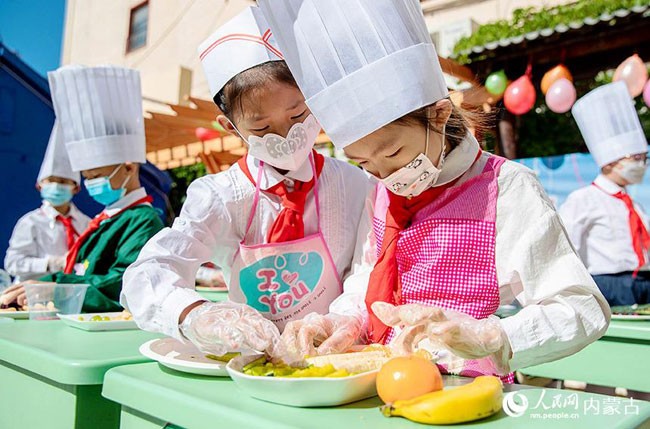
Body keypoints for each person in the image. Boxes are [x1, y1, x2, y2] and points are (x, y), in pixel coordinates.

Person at [260, 0, 610, 381]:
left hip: (465, 386)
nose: (384, 173)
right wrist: (341, 320)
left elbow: (582, 307)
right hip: (381, 382)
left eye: (393, 152)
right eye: (364, 163)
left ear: (440, 115)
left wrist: (492, 336)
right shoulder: (379, 191)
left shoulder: (504, 187)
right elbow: (367, 277)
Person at [121, 6, 375, 358]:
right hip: (248, 359)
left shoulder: (354, 183)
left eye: (298, 115)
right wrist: (193, 315)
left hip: (334, 355)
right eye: (262, 128)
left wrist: (343, 320)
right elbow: (151, 271)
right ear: (232, 128)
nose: (286, 134)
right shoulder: (220, 196)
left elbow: (367, 267)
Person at [1, 65, 163, 312]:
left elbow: (121, 282)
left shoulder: (142, 220)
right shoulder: (107, 219)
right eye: (86, 177)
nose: (90, 185)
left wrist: (55, 286)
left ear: (129, 168)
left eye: (96, 175)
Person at [560, 82, 650, 306]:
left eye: (644, 159)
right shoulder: (583, 199)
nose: (642, 165)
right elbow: (568, 249)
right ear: (611, 162)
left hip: (644, 281)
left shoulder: (633, 204)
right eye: (635, 158)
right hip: (609, 284)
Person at [3, 122, 90, 283]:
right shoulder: (30, 222)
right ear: (39, 185)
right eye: (51, 181)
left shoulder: (86, 224)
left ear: (76, 188)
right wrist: (49, 263)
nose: (56, 186)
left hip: (70, 293)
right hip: (30, 295)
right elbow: (12, 263)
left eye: (63, 181)